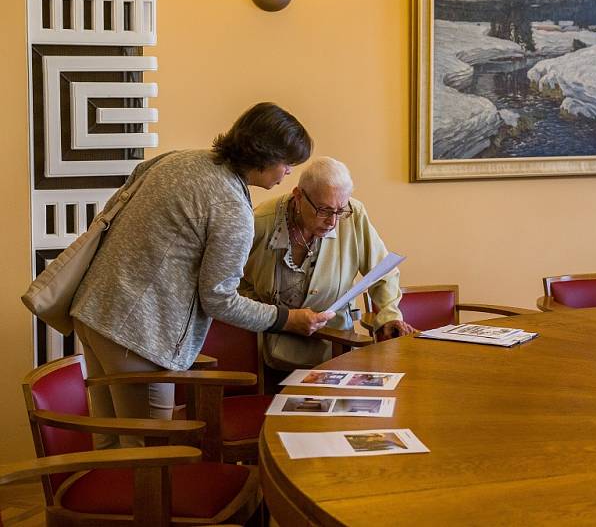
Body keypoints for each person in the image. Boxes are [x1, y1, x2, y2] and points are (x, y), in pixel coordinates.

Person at [70, 102, 334, 448]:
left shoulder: (176, 159)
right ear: (264, 155)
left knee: (109, 445)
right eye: (286, 163)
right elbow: (219, 299)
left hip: (94, 310)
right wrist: (287, 319)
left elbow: (112, 214)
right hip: (138, 335)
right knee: (149, 456)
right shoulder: (232, 208)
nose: (287, 173)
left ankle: (103, 503)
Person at [240, 157, 414, 382]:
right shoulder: (260, 221)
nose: (332, 221)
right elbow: (232, 284)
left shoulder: (354, 213)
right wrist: (276, 315)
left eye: (339, 211)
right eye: (324, 210)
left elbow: (382, 272)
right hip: (273, 348)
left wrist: (389, 316)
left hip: (338, 347)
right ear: (298, 196)